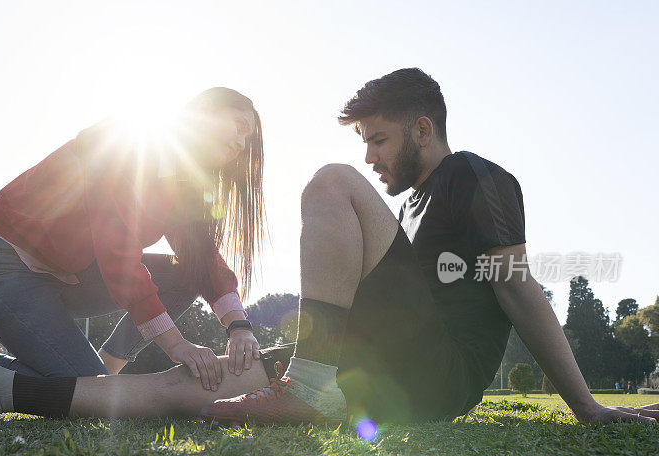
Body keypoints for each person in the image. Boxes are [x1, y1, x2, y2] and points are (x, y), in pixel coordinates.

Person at [200, 68, 659, 425]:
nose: (369, 156)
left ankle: (306, 386)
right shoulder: (407, 210)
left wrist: (588, 407)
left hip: (442, 376)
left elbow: (517, 287)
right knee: (201, 381)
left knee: (332, 181)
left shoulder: (473, 176)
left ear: (422, 130)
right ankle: (131, 393)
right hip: (386, 367)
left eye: (378, 139)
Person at [0, 87, 267, 393]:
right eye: (239, 127)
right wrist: (177, 345)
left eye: (247, 138)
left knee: (187, 274)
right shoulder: (126, 141)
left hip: (67, 276)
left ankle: (106, 373)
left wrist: (239, 328)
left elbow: (203, 259)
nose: (241, 143)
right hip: (0, 261)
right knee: (92, 395)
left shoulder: (184, 183)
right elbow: (117, 251)